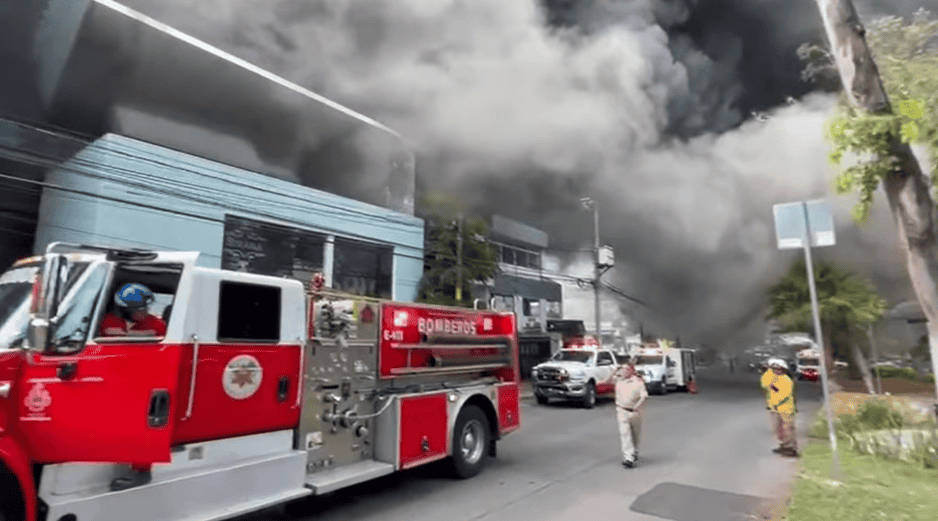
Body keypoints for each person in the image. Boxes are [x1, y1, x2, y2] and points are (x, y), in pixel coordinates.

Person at [98, 283, 167, 338]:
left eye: (145, 306)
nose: (144, 310)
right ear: (125, 308)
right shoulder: (111, 319)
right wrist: (144, 334)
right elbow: (110, 332)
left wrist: (126, 333)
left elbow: (156, 333)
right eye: (137, 308)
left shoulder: (156, 323)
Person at [614, 358, 648, 468]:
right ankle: (628, 457)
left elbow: (644, 396)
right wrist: (614, 370)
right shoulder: (619, 381)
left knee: (635, 435)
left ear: (630, 371)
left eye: (625, 369)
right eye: (622, 369)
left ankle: (634, 450)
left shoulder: (638, 382)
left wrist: (637, 406)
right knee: (625, 434)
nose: (623, 372)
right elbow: (606, 381)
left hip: (635, 412)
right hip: (622, 410)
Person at [763, 358, 798, 457]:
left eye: (779, 369)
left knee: (787, 428)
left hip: (785, 408)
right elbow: (764, 383)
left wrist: (777, 405)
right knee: (778, 430)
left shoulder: (786, 380)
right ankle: (783, 446)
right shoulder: (772, 378)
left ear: (783, 370)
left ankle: (791, 448)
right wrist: (769, 370)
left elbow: (785, 395)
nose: (776, 370)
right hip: (775, 408)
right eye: (774, 369)